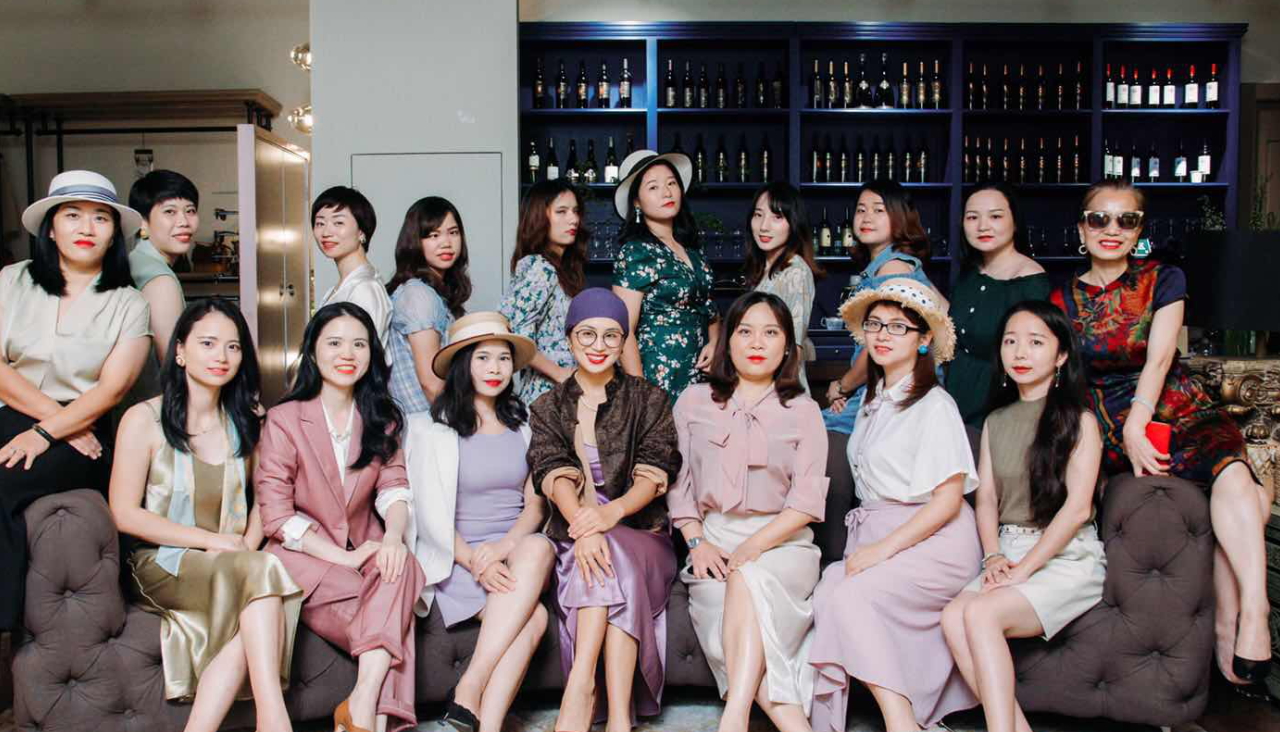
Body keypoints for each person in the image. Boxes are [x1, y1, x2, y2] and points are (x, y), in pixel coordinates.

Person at [1051, 180, 1274, 698]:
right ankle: (1228, 625)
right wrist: (1106, 431)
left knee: (1239, 480)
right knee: (1256, 501)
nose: (1112, 229)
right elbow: (1068, 374)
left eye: (1126, 220)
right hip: (1104, 413)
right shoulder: (1061, 296)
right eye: (1099, 219)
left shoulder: (1164, 278)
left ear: (1139, 231)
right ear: (1081, 227)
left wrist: (1140, 418)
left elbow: (1159, 358)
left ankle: (1252, 611)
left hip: (1173, 403)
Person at [109, 298, 302, 732]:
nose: (222, 357)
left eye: (233, 347)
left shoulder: (248, 420)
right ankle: (274, 721)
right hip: (161, 563)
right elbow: (123, 513)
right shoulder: (143, 419)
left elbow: (266, 500)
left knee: (256, 594)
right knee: (262, 580)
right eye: (208, 343)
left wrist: (244, 549)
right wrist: (216, 544)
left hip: (232, 562)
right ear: (180, 351)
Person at [808, 278, 979, 732]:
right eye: (875, 324)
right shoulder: (872, 401)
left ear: (923, 340)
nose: (882, 335)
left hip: (935, 540)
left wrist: (882, 550)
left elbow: (947, 501)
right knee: (828, 590)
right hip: (880, 536)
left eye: (898, 327)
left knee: (851, 595)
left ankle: (900, 720)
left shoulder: (935, 405)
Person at [256, 302, 425, 732]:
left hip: (364, 553)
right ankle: (370, 717)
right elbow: (276, 515)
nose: (347, 353)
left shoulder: (381, 419)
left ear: (371, 355)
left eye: (359, 344)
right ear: (313, 351)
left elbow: (395, 488)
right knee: (395, 619)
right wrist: (344, 557)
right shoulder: (284, 419)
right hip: (303, 560)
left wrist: (393, 537)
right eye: (334, 343)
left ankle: (362, 705)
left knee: (401, 561)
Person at [940, 301, 1106, 732]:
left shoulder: (1081, 421)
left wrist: (1024, 569)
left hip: (1065, 555)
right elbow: (986, 499)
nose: (1020, 353)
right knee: (953, 617)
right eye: (1010, 341)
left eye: (1035, 342)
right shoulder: (996, 421)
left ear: (1061, 355)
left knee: (980, 614)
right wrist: (993, 556)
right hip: (1009, 550)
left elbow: (1078, 508)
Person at [670, 291, 828, 732]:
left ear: (788, 346)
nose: (757, 343)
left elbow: (807, 500)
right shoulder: (693, 402)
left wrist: (755, 546)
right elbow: (679, 486)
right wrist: (697, 543)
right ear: (728, 341)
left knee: (747, 579)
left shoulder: (804, 411)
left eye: (771, 332)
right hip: (714, 545)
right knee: (742, 632)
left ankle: (734, 716)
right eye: (745, 331)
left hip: (784, 546)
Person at [0, 170, 151, 631]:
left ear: (115, 233)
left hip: (86, 432)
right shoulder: (11, 281)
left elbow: (113, 389)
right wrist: (50, 423)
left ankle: (4, 626)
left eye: (100, 218)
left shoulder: (130, 303)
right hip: (25, 416)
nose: (86, 228)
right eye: (72, 215)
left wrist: (49, 433)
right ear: (50, 228)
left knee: (4, 481)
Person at [526, 288, 682, 732]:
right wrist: (585, 524)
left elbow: (654, 470)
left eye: (611, 336)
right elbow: (551, 470)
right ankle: (616, 718)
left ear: (624, 342)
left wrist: (610, 516)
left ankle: (580, 687)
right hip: (576, 540)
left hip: (643, 537)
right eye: (587, 335)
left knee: (612, 553)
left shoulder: (649, 399)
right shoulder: (548, 406)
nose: (598, 346)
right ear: (569, 338)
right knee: (610, 564)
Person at [404, 311, 554, 732]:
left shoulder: (525, 426)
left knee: (538, 546)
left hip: (516, 554)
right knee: (536, 619)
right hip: (458, 559)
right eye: (483, 358)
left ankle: (469, 688)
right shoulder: (428, 429)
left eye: (503, 359)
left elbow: (535, 507)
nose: (495, 369)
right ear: (462, 364)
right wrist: (476, 561)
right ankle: (486, 722)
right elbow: (427, 513)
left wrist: (503, 549)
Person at [822, 179, 935, 433]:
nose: (867, 217)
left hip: (895, 393)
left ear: (899, 217)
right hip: (879, 388)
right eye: (861, 210)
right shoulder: (896, 264)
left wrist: (842, 387)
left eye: (878, 210)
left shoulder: (892, 268)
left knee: (811, 431)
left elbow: (882, 342)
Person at [611, 149, 718, 404]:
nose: (666, 192)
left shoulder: (693, 252)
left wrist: (716, 344)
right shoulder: (636, 253)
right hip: (657, 377)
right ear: (637, 202)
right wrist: (641, 395)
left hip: (701, 376)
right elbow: (623, 331)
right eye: (653, 187)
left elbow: (711, 312)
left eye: (671, 183)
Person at [945, 183, 1050, 427]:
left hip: (999, 403)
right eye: (973, 217)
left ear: (1015, 222)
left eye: (995, 216)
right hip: (957, 395)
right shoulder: (971, 273)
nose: (983, 226)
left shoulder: (1030, 282)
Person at [499, 179, 589, 405]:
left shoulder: (561, 270)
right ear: (539, 217)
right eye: (562, 211)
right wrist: (559, 374)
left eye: (575, 211)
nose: (573, 219)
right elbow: (517, 333)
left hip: (566, 393)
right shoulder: (540, 267)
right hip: (547, 395)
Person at [386, 196, 472, 413]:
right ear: (415, 241)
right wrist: (469, 423)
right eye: (433, 235)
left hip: (432, 419)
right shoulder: (418, 294)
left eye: (453, 232)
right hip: (426, 422)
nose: (446, 243)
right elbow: (431, 384)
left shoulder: (431, 292)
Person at [744, 183, 824, 394]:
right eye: (758, 215)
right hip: (761, 382)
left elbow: (794, 347)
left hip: (780, 389)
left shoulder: (795, 271)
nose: (764, 226)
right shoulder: (766, 270)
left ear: (793, 223)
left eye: (777, 217)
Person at [127, 170, 197, 401]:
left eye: (190, 211)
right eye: (170, 212)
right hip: (155, 404)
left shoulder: (135, 261)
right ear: (142, 222)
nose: (184, 222)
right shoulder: (159, 279)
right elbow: (173, 365)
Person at [313, 186, 394, 357]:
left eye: (338, 223)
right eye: (320, 223)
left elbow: (362, 357)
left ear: (361, 232)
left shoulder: (365, 289)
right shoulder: (340, 288)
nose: (326, 232)